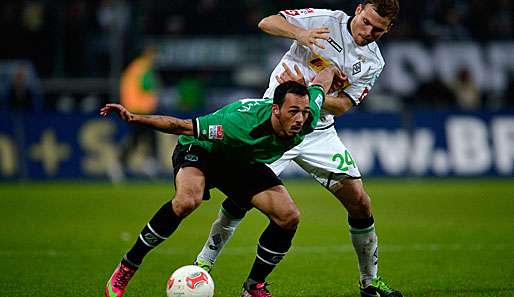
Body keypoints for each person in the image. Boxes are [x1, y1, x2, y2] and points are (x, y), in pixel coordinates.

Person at [193, 1, 403, 297]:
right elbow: (266, 23)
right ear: (358, 9)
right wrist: (299, 34)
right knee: (241, 198)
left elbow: (343, 105)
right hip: (277, 121)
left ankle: (370, 283)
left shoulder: (373, 62)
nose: (367, 32)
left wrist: (311, 92)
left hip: (319, 131)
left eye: (377, 30)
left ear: (388, 29)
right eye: (366, 21)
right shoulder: (324, 20)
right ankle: (203, 264)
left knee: (360, 201)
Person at [102, 65, 343, 297]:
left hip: (240, 163)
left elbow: (320, 85)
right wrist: (134, 118)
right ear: (275, 110)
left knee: (289, 216)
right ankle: (128, 265)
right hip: (204, 152)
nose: (300, 119)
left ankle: (253, 286)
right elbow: (182, 126)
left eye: (304, 112)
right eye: (293, 112)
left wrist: (332, 70)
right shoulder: (238, 124)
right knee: (187, 200)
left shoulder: (308, 116)